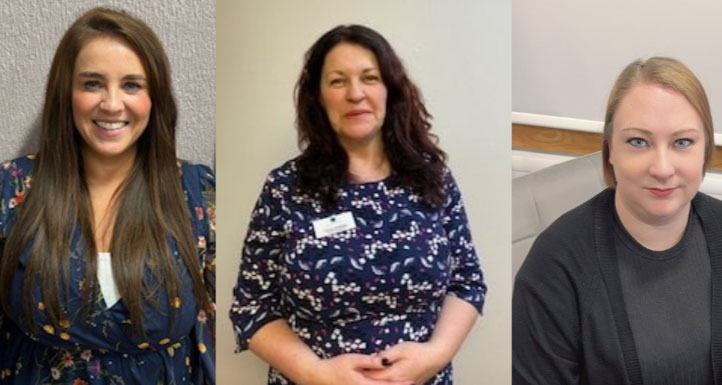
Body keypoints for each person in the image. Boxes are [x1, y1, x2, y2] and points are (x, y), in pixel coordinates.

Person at [230, 25, 486, 385]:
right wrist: (315, 373)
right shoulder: (285, 188)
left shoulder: (433, 179)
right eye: (337, 81)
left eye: (370, 78)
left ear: (390, 91)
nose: (355, 94)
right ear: (317, 97)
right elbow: (252, 306)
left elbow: (467, 282)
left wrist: (435, 355)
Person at [0, 8, 215, 385]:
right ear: (66, 93)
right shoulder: (12, 188)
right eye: (93, 84)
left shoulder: (198, 193)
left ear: (156, 96)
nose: (113, 104)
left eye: (132, 85)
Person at [513, 57, 720, 384]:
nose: (663, 168)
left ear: (705, 149)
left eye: (683, 142)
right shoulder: (555, 266)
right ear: (610, 149)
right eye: (638, 142)